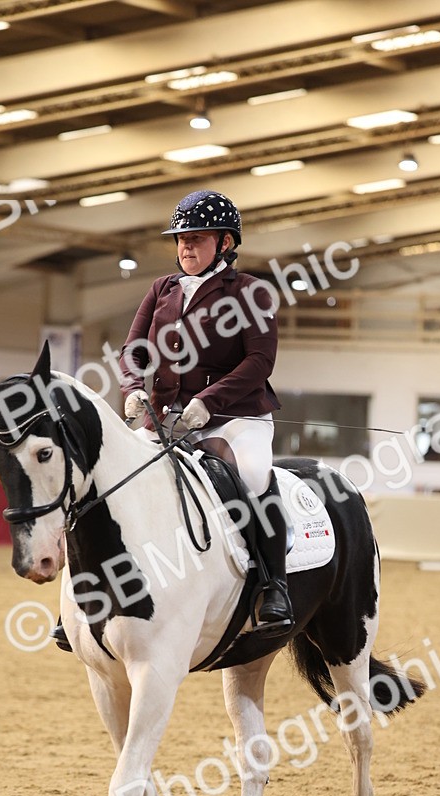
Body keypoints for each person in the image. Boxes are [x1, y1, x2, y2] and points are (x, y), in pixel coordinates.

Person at [118, 189, 293, 632]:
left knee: (252, 476)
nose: (186, 248)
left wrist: (207, 402)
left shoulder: (251, 292)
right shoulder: (163, 289)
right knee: (119, 480)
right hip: (169, 416)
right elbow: (133, 350)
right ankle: (98, 586)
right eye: (181, 240)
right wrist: (134, 388)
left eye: (197, 238)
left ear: (225, 243)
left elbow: (259, 361)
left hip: (237, 415)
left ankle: (274, 585)